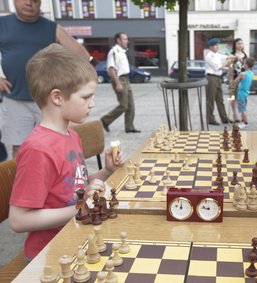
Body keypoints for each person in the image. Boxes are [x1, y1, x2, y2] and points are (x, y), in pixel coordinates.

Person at [8, 44, 124, 261]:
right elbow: (18, 221)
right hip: (49, 257)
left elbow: (72, 186)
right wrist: (82, 208)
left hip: (77, 241)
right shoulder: (38, 149)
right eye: (86, 97)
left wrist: (106, 171)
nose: (92, 104)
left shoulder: (71, 136)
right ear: (57, 97)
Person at [0, 0, 91, 158]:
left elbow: (82, 56)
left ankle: (59, 181)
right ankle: (25, 182)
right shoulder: (2, 24)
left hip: (48, 102)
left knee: (57, 145)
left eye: (35, 0)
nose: (29, 3)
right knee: (20, 148)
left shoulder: (51, 27)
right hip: (15, 99)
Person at [100, 32, 140, 133]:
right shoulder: (114, 52)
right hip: (120, 79)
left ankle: (129, 127)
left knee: (131, 105)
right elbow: (111, 69)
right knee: (123, 105)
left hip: (126, 79)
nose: (128, 41)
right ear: (118, 40)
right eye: (125, 39)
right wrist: (117, 83)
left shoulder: (122, 52)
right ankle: (105, 120)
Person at [204, 37, 233, 126]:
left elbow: (227, 57)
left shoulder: (217, 55)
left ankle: (224, 118)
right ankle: (210, 119)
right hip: (211, 78)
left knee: (220, 99)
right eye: (216, 45)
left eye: (218, 45)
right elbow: (217, 67)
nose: (218, 47)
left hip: (218, 78)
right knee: (211, 99)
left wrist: (235, 57)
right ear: (211, 47)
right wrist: (227, 63)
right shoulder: (209, 56)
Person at [228, 38, 248, 123]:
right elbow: (229, 67)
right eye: (238, 43)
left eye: (241, 43)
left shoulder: (245, 55)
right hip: (234, 78)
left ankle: (242, 114)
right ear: (235, 45)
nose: (240, 45)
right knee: (234, 97)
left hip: (244, 79)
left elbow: (248, 67)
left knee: (243, 97)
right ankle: (235, 114)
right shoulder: (231, 54)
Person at [233, 57, 255, 129]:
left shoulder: (242, 74)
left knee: (243, 110)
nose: (243, 65)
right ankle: (243, 121)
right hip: (246, 93)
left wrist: (237, 76)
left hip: (241, 94)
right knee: (244, 107)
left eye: (244, 63)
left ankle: (245, 123)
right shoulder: (251, 73)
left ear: (247, 65)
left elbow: (235, 81)